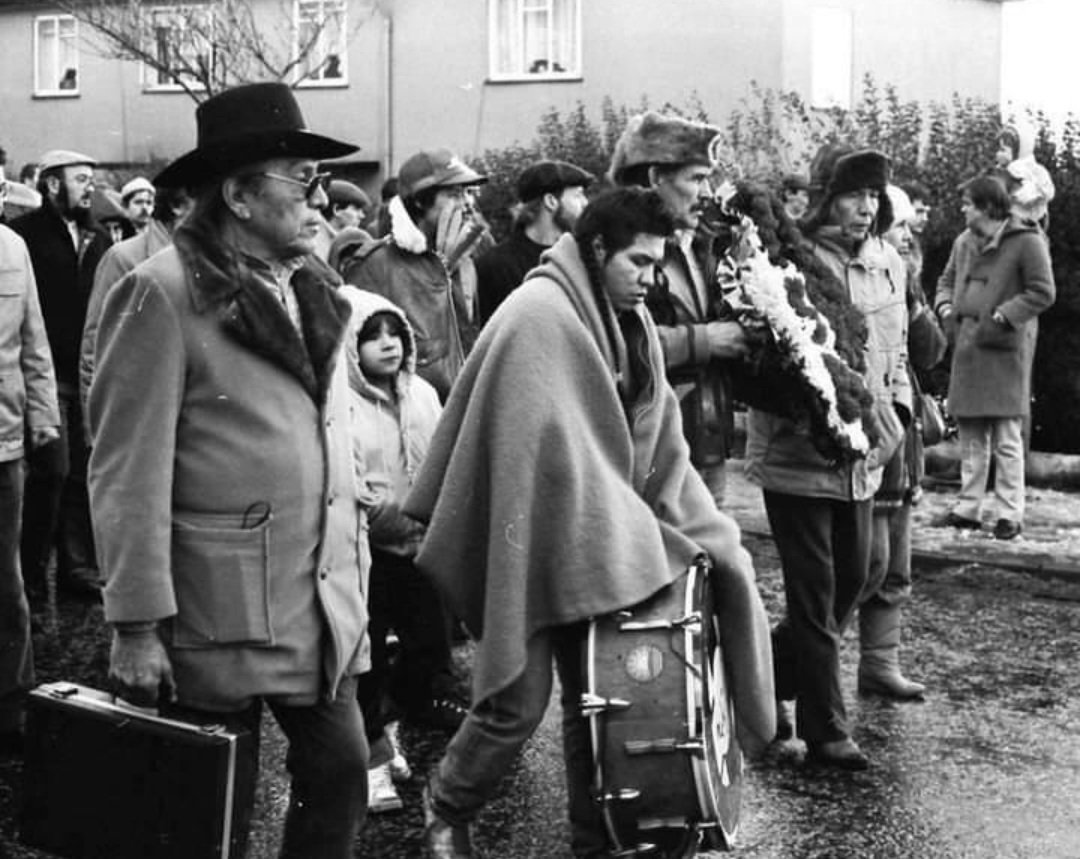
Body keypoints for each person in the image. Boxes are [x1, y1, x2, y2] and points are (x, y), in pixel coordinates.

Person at [405, 188, 774, 858]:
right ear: (597, 248)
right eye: (638, 261)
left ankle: (593, 839)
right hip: (532, 539)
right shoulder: (536, 315)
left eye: (658, 264)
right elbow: (531, 455)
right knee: (515, 702)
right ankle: (445, 806)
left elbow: (658, 442)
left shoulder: (626, 318)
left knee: (594, 697)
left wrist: (702, 528)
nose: (650, 277)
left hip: (597, 538)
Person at [87, 82, 371, 859]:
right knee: (209, 814)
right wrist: (135, 625)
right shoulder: (160, 292)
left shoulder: (313, 285)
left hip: (319, 604)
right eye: (300, 178)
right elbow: (124, 470)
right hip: (217, 612)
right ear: (240, 195)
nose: (320, 199)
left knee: (343, 776)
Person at [746, 144, 910, 770]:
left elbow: (893, 356)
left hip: (866, 456)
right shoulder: (792, 261)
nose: (865, 207)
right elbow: (769, 360)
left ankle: (761, 673)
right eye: (852, 194)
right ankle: (826, 729)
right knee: (814, 592)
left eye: (873, 194)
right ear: (825, 197)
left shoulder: (888, 261)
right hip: (799, 454)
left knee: (858, 575)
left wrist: (892, 419)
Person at [340, 287, 463, 815]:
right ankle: (370, 754)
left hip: (419, 543)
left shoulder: (423, 395)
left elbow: (442, 456)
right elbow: (348, 480)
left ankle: (400, 715)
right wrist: (387, 514)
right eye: (372, 337)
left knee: (428, 642)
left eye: (395, 333)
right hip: (368, 546)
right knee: (364, 655)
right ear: (351, 347)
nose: (388, 345)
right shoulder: (341, 403)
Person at [609, 111, 750, 504]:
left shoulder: (700, 244)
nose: (707, 193)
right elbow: (613, 339)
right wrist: (705, 340)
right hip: (649, 446)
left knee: (707, 557)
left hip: (706, 437)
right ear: (655, 178)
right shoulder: (618, 248)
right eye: (696, 179)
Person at [857, 185, 947, 701]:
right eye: (900, 228)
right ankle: (796, 671)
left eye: (912, 229)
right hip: (872, 441)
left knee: (896, 565)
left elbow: (932, 351)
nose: (909, 238)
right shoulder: (862, 281)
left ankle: (878, 665)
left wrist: (911, 297)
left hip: (905, 442)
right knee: (862, 567)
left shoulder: (902, 282)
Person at [10, 149, 111, 602]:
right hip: (43, 376)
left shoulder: (97, 236)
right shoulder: (25, 236)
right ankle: (30, 576)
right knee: (50, 474)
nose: (90, 187)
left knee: (80, 476)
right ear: (53, 184)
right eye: (81, 178)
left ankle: (75, 568)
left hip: (86, 373)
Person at [933, 175, 1055, 541]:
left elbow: (1043, 291)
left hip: (1004, 349)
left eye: (968, 202)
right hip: (967, 348)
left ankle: (1009, 514)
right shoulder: (963, 241)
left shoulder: (1027, 241)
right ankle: (968, 508)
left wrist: (1005, 315)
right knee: (970, 434)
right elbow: (945, 280)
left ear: (987, 206)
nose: (962, 208)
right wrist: (943, 308)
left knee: (1006, 436)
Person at [342, 148, 487, 402]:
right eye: (454, 194)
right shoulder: (374, 265)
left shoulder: (465, 260)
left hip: (464, 415)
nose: (467, 203)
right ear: (420, 201)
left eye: (467, 193)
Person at [0, 150, 59, 745]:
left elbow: (33, 341)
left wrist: (45, 419)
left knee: (8, 580)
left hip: (6, 443)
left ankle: (12, 704)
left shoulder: (13, 250)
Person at [80, 180, 193, 431]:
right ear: (177, 207)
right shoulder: (125, 258)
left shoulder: (201, 257)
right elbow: (97, 341)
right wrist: (97, 422)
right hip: (137, 415)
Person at [474, 159, 593, 324]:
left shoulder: (586, 260)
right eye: (578, 195)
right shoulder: (495, 266)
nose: (586, 203)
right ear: (551, 201)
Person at [994, 121, 1055, 228]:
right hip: (1013, 220)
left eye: (1003, 150)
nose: (998, 154)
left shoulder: (1028, 170)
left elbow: (1046, 192)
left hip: (1029, 220)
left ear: (1019, 150)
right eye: (998, 150)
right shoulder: (1001, 171)